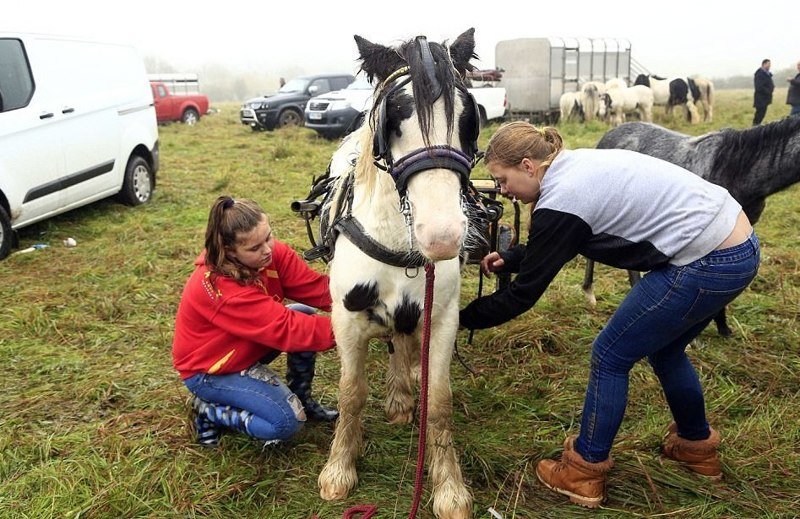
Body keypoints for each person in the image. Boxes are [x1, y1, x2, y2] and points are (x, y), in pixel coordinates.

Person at [460, 122, 760, 508]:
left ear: (528, 166)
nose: (502, 191)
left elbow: (522, 297)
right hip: (738, 247)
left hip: (706, 261)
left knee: (611, 355)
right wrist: (514, 258)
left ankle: (584, 471)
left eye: (502, 180)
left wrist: (458, 317)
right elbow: (563, 242)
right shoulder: (573, 165)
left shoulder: (562, 200)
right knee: (666, 352)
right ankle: (696, 449)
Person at [172, 196, 338, 448]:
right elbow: (287, 329)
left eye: (268, 237)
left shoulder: (269, 255)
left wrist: (369, 300)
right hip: (210, 370)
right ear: (229, 251)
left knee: (303, 312)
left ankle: (302, 397)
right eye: (254, 248)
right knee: (286, 423)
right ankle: (207, 410)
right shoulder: (220, 288)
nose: (268, 250)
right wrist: (358, 327)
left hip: (245, 345)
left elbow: (316, 289)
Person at [753, 58, 774, 125]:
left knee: (762, 114)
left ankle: (756, 127)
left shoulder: (767, 73)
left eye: (770, 65)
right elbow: (759, 87)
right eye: (768, 64)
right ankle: (755, 128)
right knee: (759, 114)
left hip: (765, 98)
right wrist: (768, 91)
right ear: (763, 64)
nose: (769, 66)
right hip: (761, 98)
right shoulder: (759, 74)